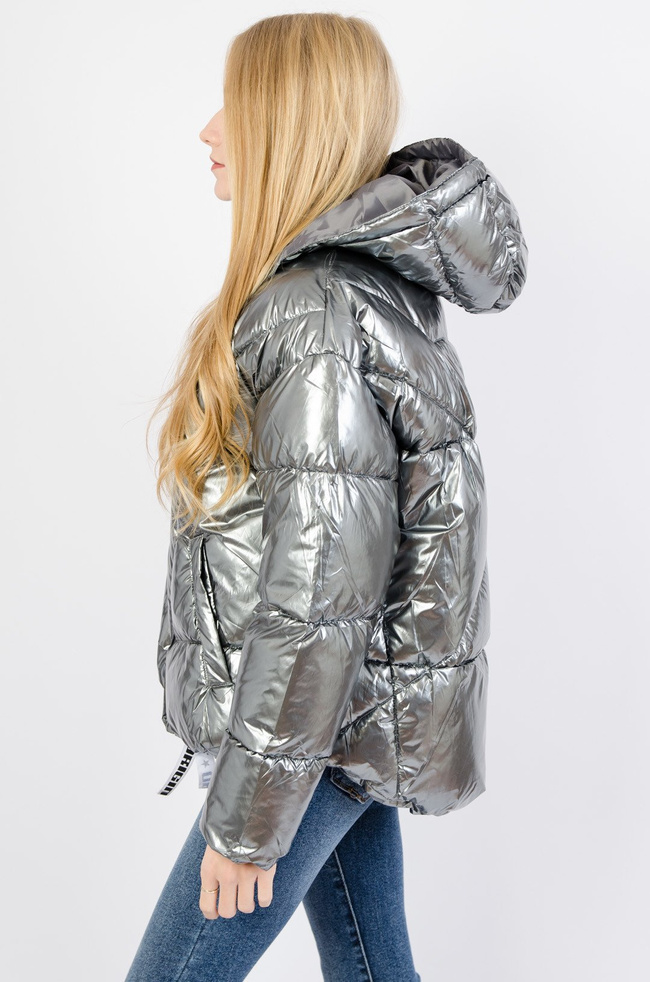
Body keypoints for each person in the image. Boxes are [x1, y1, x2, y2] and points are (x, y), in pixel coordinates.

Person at [125, 11, 527, 982]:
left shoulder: (309, 312)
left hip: (310, 738)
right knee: (373, 967)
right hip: (337, 729)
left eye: (233, 105)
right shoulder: (357, 294)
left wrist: (247, 823)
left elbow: (317, 595)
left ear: (285, 123)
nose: (208, 130)